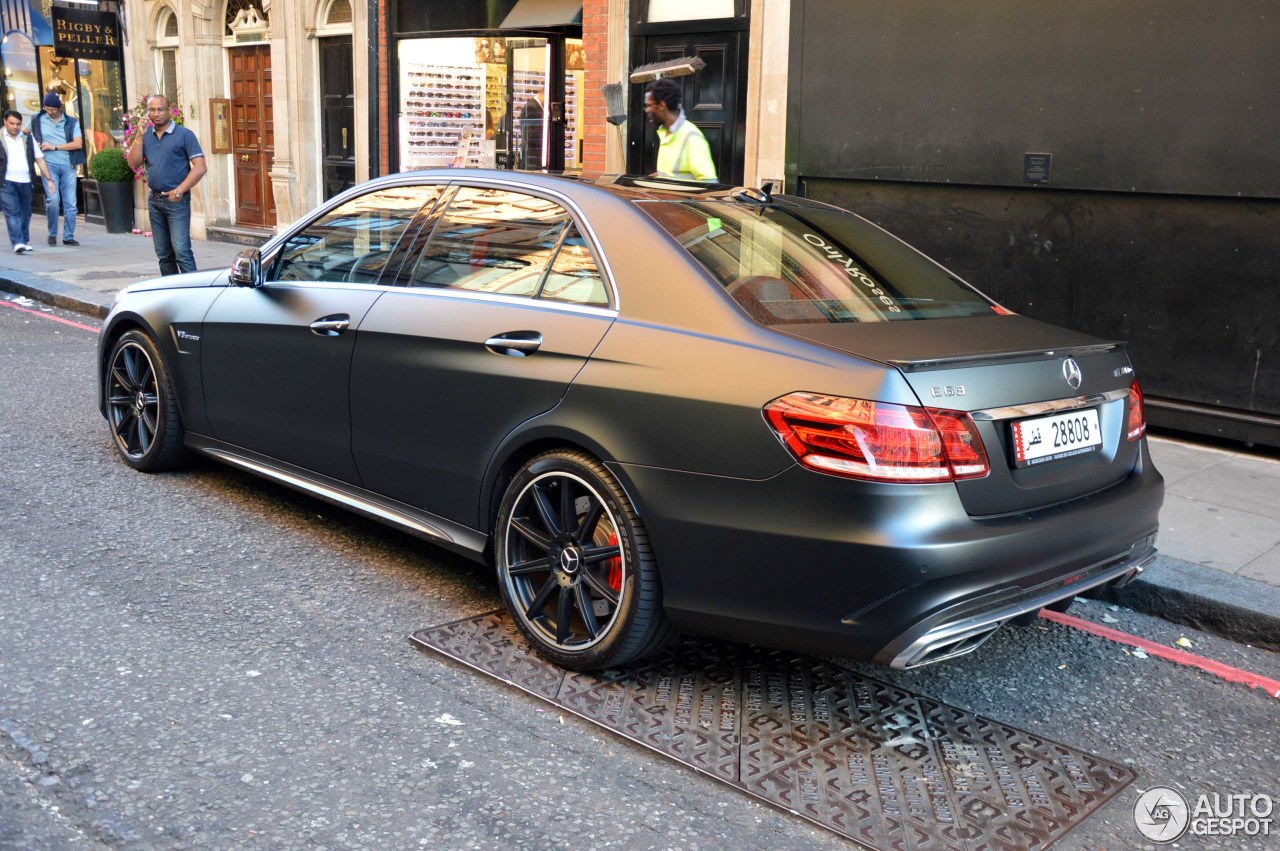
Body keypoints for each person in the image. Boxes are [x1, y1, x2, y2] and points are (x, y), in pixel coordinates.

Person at [126, 94, 207, 275]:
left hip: (176, 202)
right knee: (163, 254)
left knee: (182, 252)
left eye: (161, 109)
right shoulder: (146, 135)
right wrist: (139, 135)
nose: (156, 114)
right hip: (154, 201)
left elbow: (200, 167)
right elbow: (133, 163)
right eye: (152, 110)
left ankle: (194, 293)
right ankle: (171, 292)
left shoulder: (184, 135)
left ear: (170, 111)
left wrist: (179, 191)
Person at [29, 92, 84, 246]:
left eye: (53, 109)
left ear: (60, 108)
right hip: (48, 166)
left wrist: (54, 147)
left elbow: (78, 144)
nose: (50, 112)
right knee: (53, 200)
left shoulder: (71, 122)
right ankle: (52, 233)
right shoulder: (37, 119)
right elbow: (24, 133)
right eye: (47, 109)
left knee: (71, 204)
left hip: (68, 165)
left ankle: (68, 236)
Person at [0, 109, 57, 254]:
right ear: (5, 122)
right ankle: (18, 242)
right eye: (12, 123)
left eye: (18, 124)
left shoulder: (28, 139)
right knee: (12, 213)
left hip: (26, 181)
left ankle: (24, 241)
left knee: (25, 213)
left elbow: (40, 159)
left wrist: (49, 179)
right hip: (6, 182)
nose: (15, 127)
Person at [643, 78, 718, 183]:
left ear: (662, 105)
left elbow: (710, 183)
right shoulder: (665, 133)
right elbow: (676, 175)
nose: (646, 110)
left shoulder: (692, 137)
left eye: (649, 105)